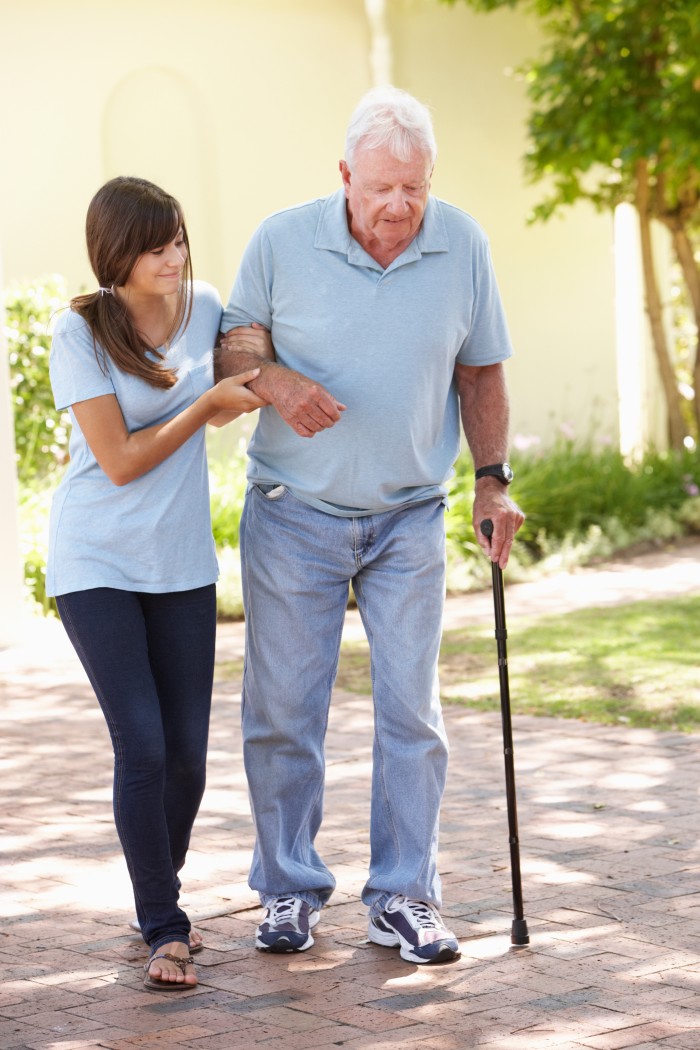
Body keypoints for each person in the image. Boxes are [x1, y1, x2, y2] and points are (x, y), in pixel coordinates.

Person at [216, 86, 525, 965]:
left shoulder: (461, 243)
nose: (400, 207)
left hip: (409, 518)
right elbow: (235, 345)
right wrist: (275, 382)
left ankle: (403, 896)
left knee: (413, 714)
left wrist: (493, 483)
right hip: (292, 514)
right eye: (383, 187)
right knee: (282, 712)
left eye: (415, 189)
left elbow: (482, 375)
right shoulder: (282, 239)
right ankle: (287, 889)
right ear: (345, 175)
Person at [46, 176, 268, 991]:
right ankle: (166, 930)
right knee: (141, 745)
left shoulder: (204, 305)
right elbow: (122, 460)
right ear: (117, 255)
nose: (172, 256)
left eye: (176, 238)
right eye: (153, 245)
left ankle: (154, 900)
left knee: (187, 763)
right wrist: (207, 401)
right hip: (96, 562)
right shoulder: (80, 332)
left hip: (179, 567)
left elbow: (256, 356)